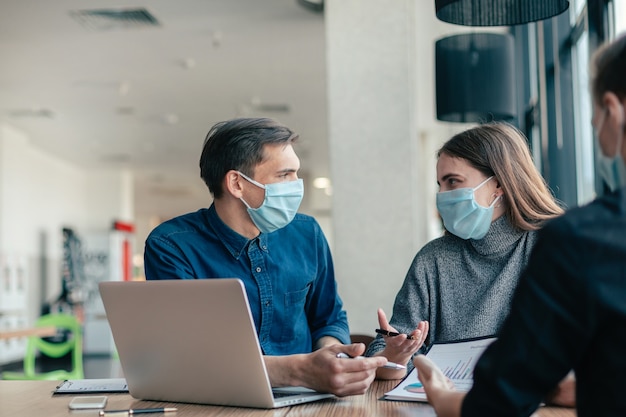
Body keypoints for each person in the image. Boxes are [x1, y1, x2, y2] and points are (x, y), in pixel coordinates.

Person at [414, 33, 626, 417]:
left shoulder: (579, 240)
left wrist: (444, 399)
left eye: (593, 112)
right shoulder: (434, 259)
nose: (593, 125)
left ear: (613, 109)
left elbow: (502, 399)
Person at [143, 117, 387, 396]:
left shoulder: (307, 233)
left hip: (307, 401)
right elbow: (186, 354)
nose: (296, 185)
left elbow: (328, 317)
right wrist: (300, 370)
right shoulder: (172, 246)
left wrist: (331, 358)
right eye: (284, 175)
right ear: (237, 183)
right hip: (217, 402)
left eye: (296, 173)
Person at [365, 122, 564, 380]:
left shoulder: (552, 247)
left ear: (499, 185)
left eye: (453, 182)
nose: (441, 195)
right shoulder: (432, 259)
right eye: (439, 184)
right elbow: (385, 354)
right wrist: (396, 357)